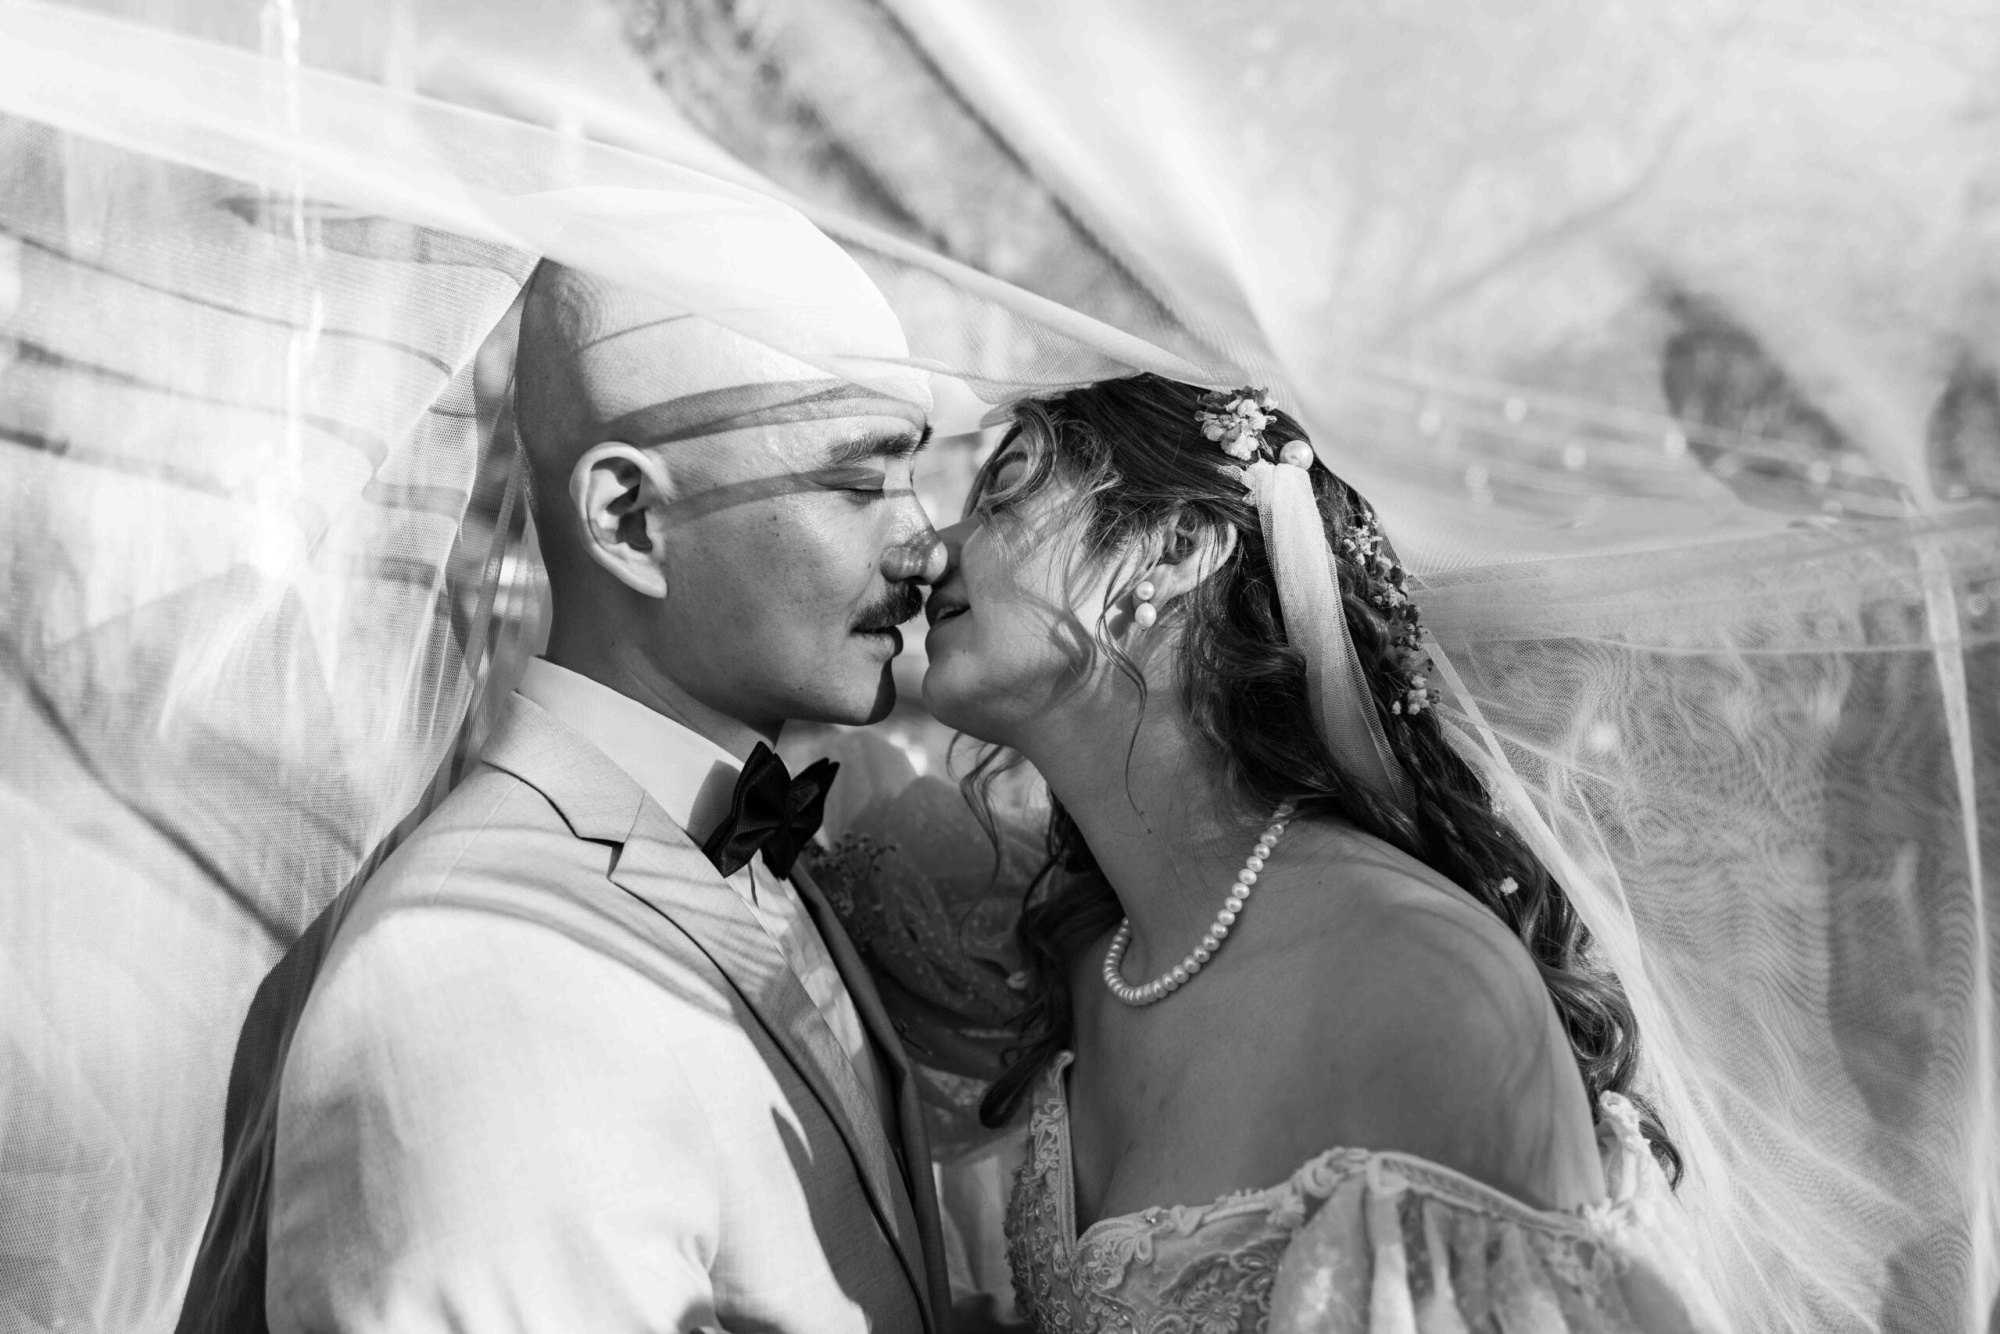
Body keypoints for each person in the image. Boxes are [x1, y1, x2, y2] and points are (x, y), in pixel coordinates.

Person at [905, 374, 1726, 1330]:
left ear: (1172, 550)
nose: (933, 550)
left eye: (1001, 499)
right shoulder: (1083, 954)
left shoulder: (1423, 984)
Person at [261, 236, 954, 1331]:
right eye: (860, 480)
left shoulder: (768, 849)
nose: (926, 542)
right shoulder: (484, 973)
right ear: (629, 518)